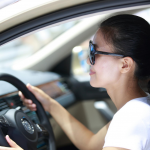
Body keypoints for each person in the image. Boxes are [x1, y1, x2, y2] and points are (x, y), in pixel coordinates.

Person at [1, 14, 150, 150]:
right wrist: (49, 104)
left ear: (125, 65)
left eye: (94, 52)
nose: (87, 60)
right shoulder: (138, 110)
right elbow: (90, 145)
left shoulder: (132, 118)